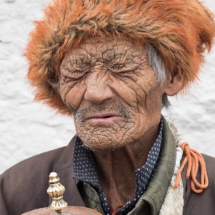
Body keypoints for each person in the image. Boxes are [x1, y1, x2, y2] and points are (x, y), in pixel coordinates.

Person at [1, 0, 215, 215]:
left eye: (121, 68)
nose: (95, 93)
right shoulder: (14, 190)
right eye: (76, 71)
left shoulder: (209, 189)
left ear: (173, 77)